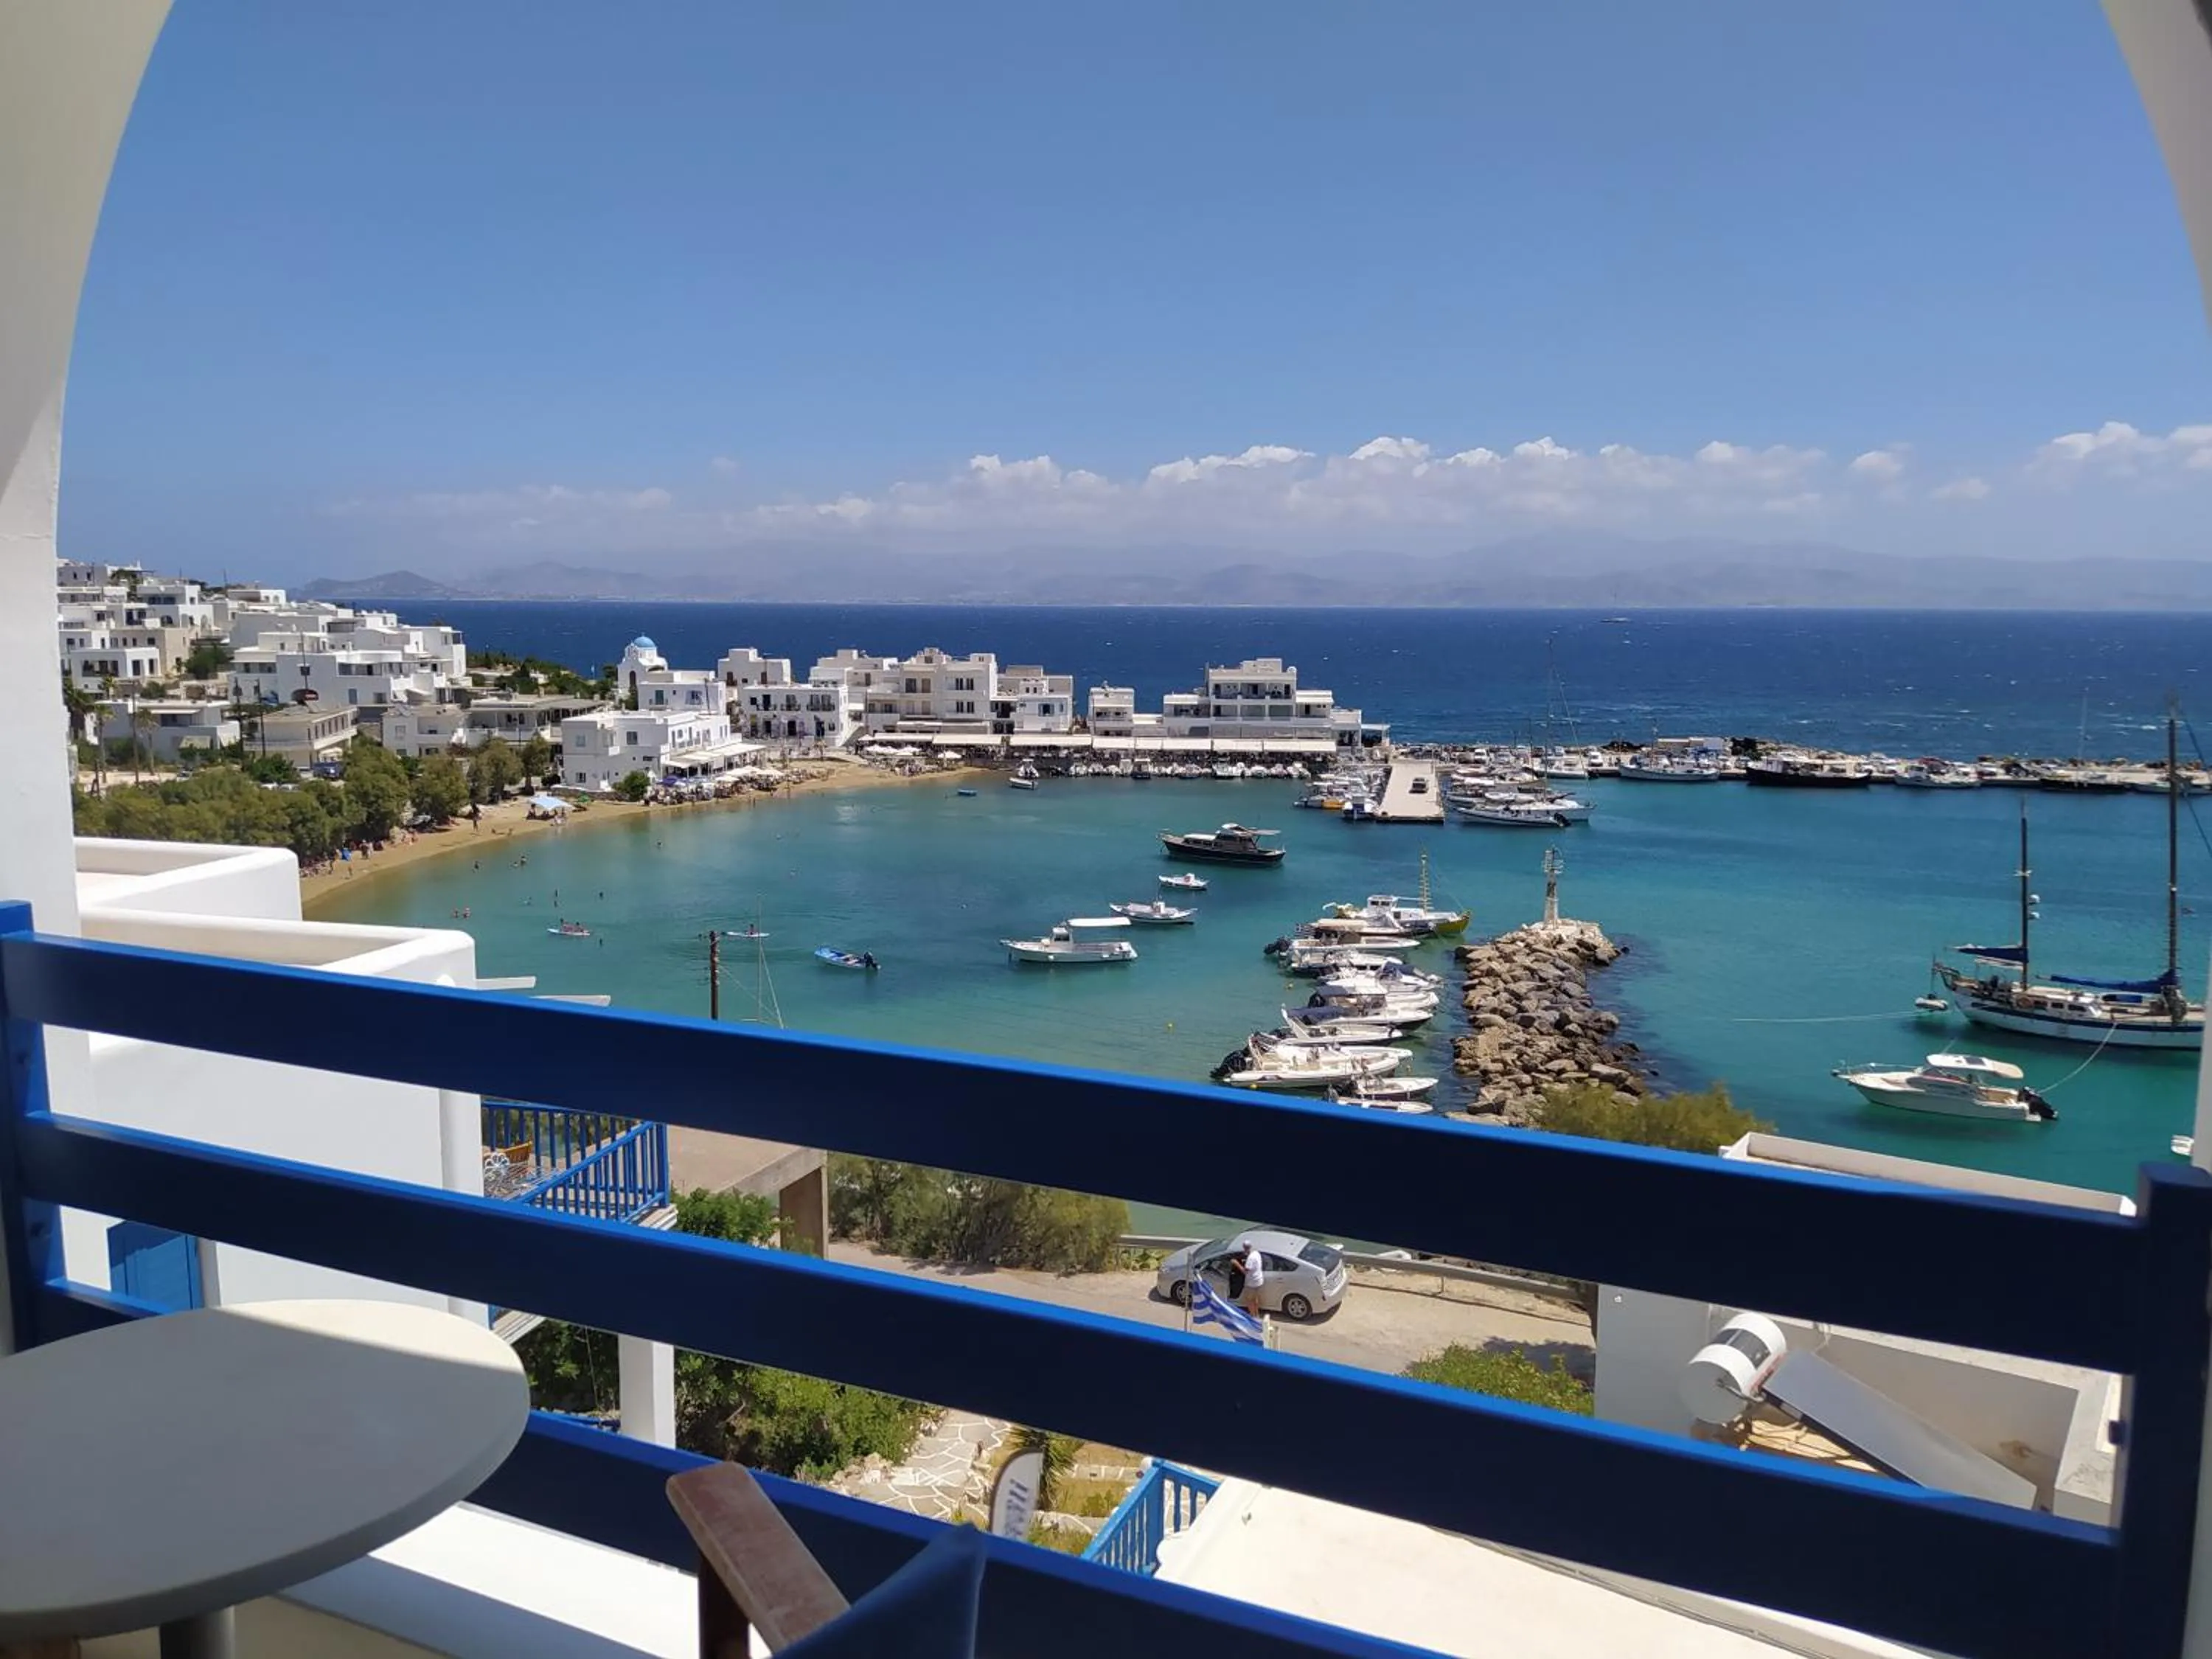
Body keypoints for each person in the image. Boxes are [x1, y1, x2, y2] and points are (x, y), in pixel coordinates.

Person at [1238, 1239, 1265, 1318]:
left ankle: (1253, 1316)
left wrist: (1236, 1263)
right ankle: (1257, 1314)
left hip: (1252, 1282)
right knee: (1255, 1299)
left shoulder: (1250, 1258)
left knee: (1249, 1301)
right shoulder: (1257, 1253)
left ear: (1245, 1248)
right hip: (1259, 1280)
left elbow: (1245, 1271)